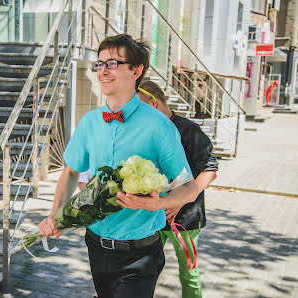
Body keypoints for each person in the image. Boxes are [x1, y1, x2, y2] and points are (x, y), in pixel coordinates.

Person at [38, 34, 198, 298]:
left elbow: (188, 187)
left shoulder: (159, 126)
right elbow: (70, 171)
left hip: (140, 254)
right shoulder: (88, 123)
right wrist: (56, 215)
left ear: (136, 70)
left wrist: (157, 204)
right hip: (95, 246)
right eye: (98, 64)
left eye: (111, 63)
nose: (102, 71)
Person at [137, 80, 218, 298]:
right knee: (146, 270)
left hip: (187, 218)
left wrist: (180, 200)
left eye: (139, 108)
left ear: (152, 104)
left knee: (188, 273)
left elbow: (210, 170)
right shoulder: (147, 131)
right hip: (155, 216)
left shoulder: (189, 129)